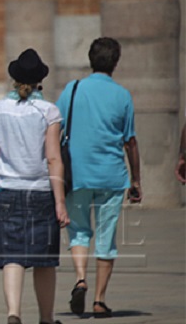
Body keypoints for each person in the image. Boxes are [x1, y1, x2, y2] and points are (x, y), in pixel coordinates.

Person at [56, 37, 141, 318]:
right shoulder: (123, 95)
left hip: (77, 173)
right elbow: (130, 141)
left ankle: (80, 278)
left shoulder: (73, 89)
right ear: (115, 62)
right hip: (111, 176)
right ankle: (99, 300)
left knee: (79, 232)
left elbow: (55, 126)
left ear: (90, 59)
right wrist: (136, 181)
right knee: (106, 238)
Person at [0, 49, 70, 324]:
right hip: (40, 191)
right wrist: (60, 202)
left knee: (12, 256)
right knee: (44, 260)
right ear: (39, 82)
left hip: (7, 190)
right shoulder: (48, 111)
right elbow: (53, 158)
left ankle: (13, 313)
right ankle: (46, 318)